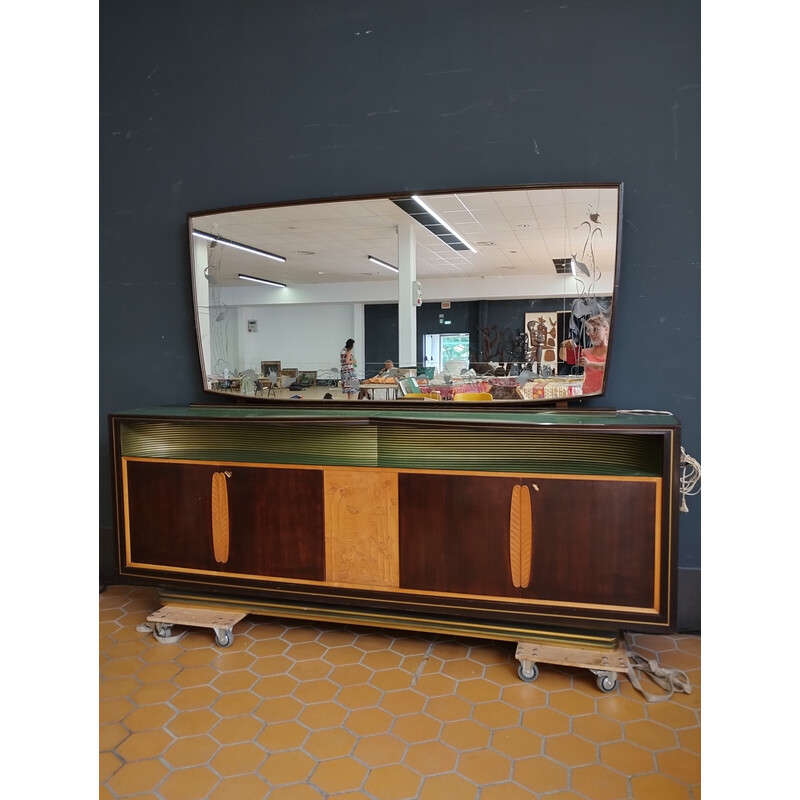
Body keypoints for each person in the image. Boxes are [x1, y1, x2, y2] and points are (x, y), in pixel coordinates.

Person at [578, 313, 609, 394]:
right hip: (587, 395)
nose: (592, 334)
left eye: (595, 329)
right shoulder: (585, 352)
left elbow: (611, 368)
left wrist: (589, 364)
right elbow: (563, 356)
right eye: (589, 331)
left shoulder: (613, 351)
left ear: (606, 329)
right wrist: (565, 345)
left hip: (606, 395)